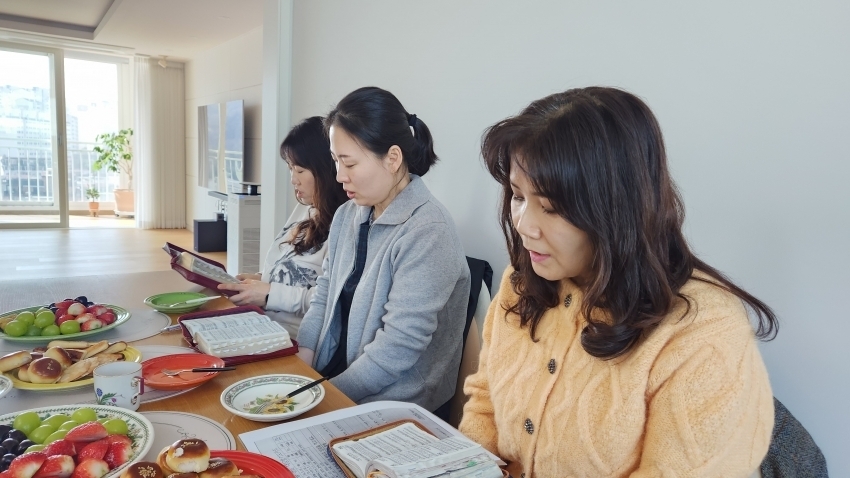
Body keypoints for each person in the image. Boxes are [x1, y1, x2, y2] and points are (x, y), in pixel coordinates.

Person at [459, 87, 778, 477]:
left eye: (551, 207)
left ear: (616, 209)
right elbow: (485, 402)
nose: (524, 225)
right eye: (517, 196)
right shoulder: (523, 280)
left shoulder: (702, 333)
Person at [295, 87, 471, 416]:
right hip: (335, 379)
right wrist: (302, 369)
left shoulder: (429, 231)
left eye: (349, 162)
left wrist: (323, 397)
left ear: (392, 158)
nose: (339, 176)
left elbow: (397, 349)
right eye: (335, 160)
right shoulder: (348, 215)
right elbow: (324, 295)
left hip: (397, 401)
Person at [218, 116, 347, 337]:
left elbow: (330, 302)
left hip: (295, 338)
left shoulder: (344, 224)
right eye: (290, 169)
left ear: (326, 169)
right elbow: (293, 270)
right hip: (265, 324)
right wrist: (259, 280)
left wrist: (269, 293)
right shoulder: (306, 209)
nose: (293, 180)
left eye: (300, 170)